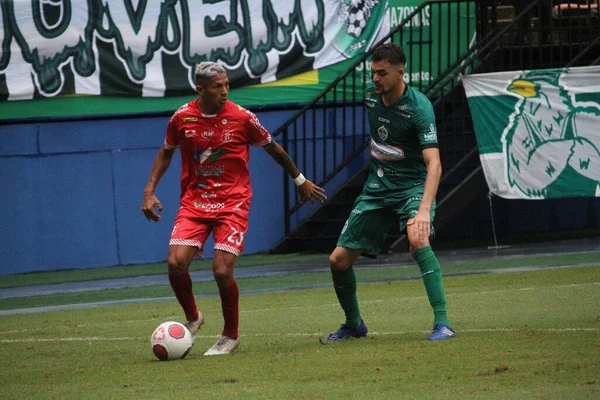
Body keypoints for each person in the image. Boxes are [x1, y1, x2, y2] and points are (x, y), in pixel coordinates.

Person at [142, 61, 326, 356]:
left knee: (222, 270)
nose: (225, 91)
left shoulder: (243, 118)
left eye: (227, 85)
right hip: (195, 201)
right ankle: (193, 317)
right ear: (200, 89)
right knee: (176, 264)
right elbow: (166, 152)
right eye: (218, 87)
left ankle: (230, 335)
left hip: (233, 202)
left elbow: (273, 148)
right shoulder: (182, 118)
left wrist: (300, 179)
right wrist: (149, 191)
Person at [321, 43, 456, 343]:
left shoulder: (419, 107)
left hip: (412, 188)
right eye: (373, 73)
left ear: (400, 71)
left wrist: (422, 211)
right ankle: (354, 324)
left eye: (382, 73)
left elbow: (434, 164)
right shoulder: (370, 97)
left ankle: (443, 323)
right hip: (377, 189)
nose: (376, 79)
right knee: (338, 261)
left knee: (417, 238)